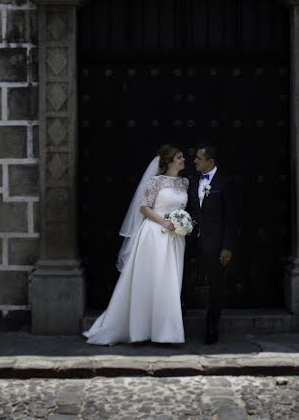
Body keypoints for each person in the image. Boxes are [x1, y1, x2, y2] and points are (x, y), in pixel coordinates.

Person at [83, 145, 189, 345]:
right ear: (168, 162)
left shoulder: (184, 183)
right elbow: (144, 207)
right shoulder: (156, 182)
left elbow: (181, 208)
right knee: (150, 281)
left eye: (182, 157)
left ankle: (166, 332)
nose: (183, 160)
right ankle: (140, 330)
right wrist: (165, 222)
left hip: (175, 239)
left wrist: (182, 223)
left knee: (170, 283)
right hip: (154, 235)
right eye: (179, 157)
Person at [187, 143, 237, 345]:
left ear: (210, 161)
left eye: (199, 158)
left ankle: (212, 327)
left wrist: (227, 246)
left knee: (215, 286)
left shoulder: (225, 183)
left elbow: (231, 218)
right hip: (189, 242)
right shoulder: (191, 181)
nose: (195, 161)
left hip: (215, 244)